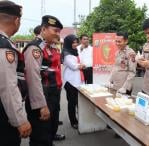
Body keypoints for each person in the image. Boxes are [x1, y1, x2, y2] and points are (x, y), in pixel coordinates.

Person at [23, 15, 65, 146]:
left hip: (51, 95)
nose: (57, 34)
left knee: (49, 134)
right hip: (41, 100)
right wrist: (42, 105)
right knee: (40, 138)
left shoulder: (48, 47)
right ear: (44, 29)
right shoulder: (35, 48)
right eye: (55, 31)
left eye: (59, 31)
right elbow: (33, 79)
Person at [0, 1, 32, 146]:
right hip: (3, 115)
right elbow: (8, 87)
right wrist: (20, 120)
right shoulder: (4, 46)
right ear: (17, 20)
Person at [62, 34, 85, 129]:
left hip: (78, 81)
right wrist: (81, 65)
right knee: (72, 103)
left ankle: (80, 119)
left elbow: (79, 63)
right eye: (73, 42)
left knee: (78, 102)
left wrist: (80, 64)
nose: (75, 44)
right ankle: (73, 121)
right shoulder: (66, 54)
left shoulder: (75, 51)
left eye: (76, 42)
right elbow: (74, 66)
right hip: (71, 82)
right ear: (68, 43)